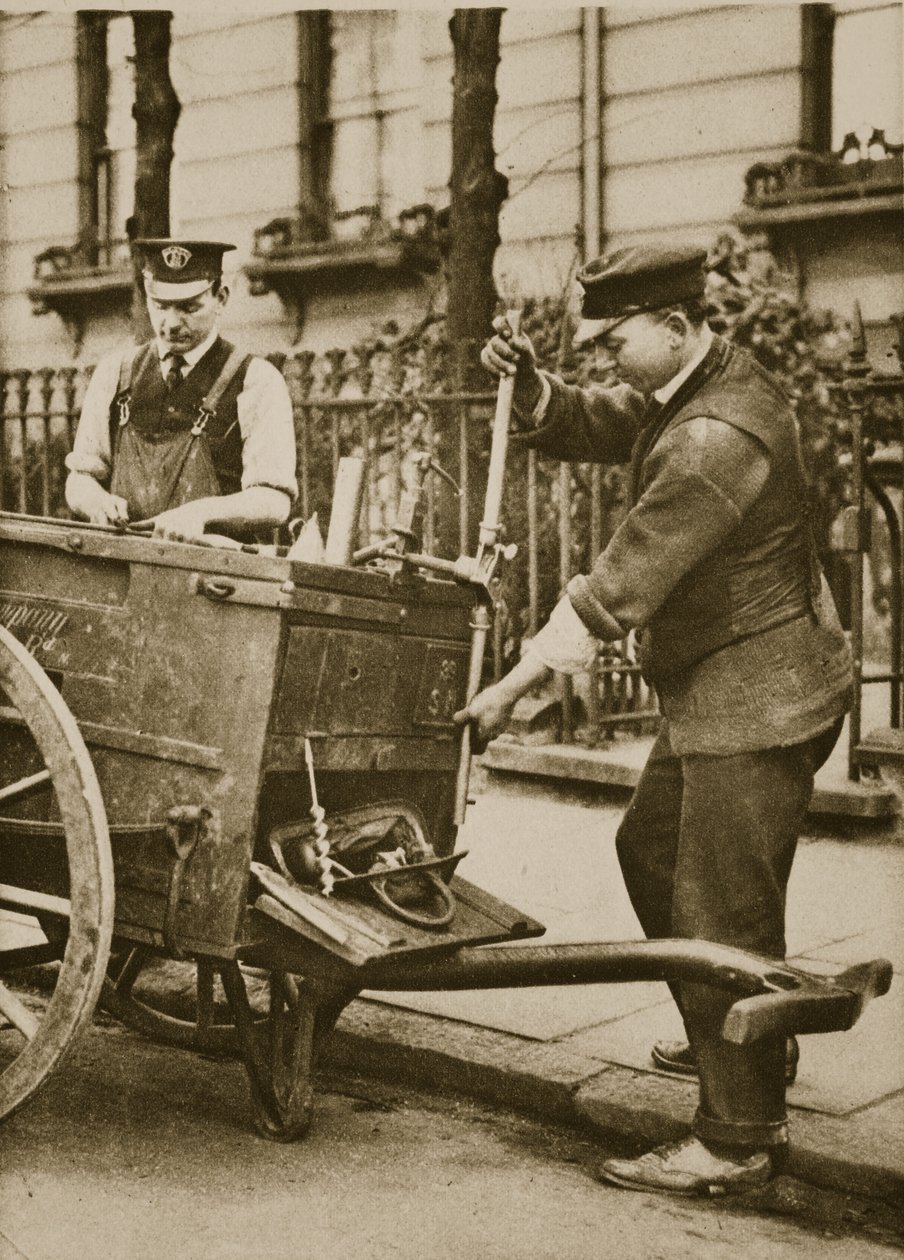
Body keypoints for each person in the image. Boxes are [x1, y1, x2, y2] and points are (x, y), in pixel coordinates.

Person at [456, 243, 852, 1195]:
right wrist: (542, 394)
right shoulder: (698, 380)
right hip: (733, 686)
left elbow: (620, 583)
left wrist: (514, 687)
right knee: (653, 850)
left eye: (613, 340)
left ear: (674, 326)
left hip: (758, 700)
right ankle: (745, 1039)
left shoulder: (723, 436)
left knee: (719, 908)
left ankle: (737, 1137)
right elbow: (624, 416)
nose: (605, 357)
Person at [65, 239, 297, 542]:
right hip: (125, 567)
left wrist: (200, 513)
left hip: (216, 576)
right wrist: (96, 502)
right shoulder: (114, 373)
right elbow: (80, 478)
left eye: (189, 307)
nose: (171, 323)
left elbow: (274, 500)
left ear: (221, 299)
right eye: (160, 305)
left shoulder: (257, 381)